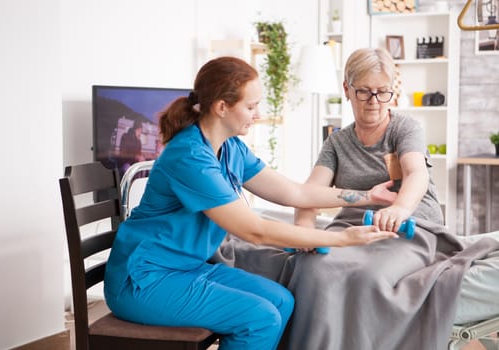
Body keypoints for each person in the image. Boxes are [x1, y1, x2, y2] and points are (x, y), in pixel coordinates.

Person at [103, 56, 399, 350]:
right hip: (143, 280)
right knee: (260, 318)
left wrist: (367, 196)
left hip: (187, 268)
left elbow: (294, 194)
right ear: (222, 108)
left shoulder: (231, 148)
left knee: (281, 301)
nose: (257, 114)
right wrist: (342, 239)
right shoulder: (190, 157)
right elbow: (254, 230)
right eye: (251, 106)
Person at [287, 47, 499, 350]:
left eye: (382, 92)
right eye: (364, 92)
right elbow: (309, 194)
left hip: (409, 229)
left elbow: (416, 174)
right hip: (353, 231)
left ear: (392, 92)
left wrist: (399, 207)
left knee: (369, 276)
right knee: (311, 268)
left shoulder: (405, 128)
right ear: (347, 89)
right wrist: (304, 230)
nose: (374, 102)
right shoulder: (336, 142)